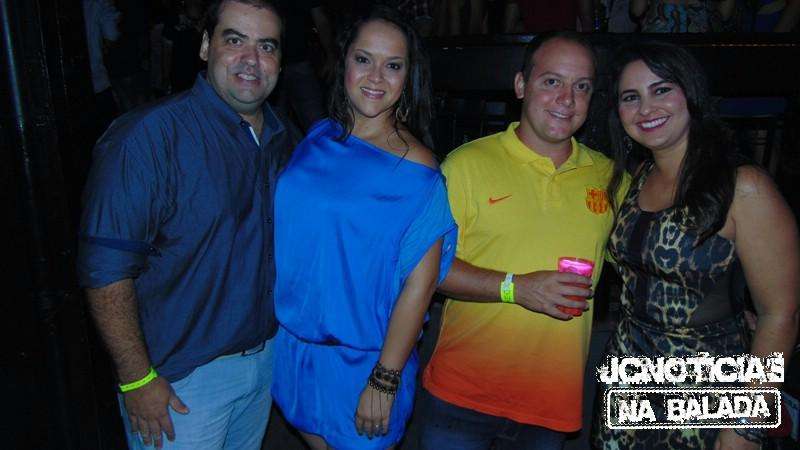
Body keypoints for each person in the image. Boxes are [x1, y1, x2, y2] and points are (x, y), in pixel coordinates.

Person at [77, 1, 292, 448]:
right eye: (235, 40)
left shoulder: (281, 136)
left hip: (264, 364)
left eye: (266, 46)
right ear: (205, 46)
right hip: (181, 385)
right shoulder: (147, 137)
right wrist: (136, 378)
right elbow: (104, 271)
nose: (251, 59)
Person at [420, 31, 624, 450]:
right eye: (551, 81)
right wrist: (516, 288)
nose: (566, 99)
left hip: (550, 402)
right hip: (462, 394)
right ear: (520, 85)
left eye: (581, 87)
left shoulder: (611, 178)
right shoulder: (466, 165)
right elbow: (426, 269)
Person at [591, 41, 799, 450]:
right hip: (627, 378)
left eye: (662, 89)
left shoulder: (743, 186)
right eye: (631, 97)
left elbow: (781, 314)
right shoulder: (636, 177)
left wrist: (747, 425)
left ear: (691, 93)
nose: (646, 108)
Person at [271, 7, 457, 450]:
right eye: (363, 59)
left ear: (408, 77)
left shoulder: (418, 170)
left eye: (393, 65)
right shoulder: (319, 136)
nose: (376, 77)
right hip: (292, 350)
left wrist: (385, 378)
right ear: (343, 63)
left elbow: (420, 285)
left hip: (363, 365)